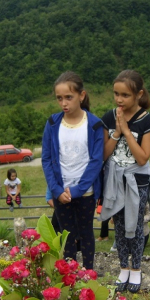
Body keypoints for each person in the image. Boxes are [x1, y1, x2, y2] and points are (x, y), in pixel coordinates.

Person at [100, 69, 150, 293]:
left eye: (125, 95)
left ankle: (136, 268)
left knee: (135, 225)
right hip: (115, 180)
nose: (119, 99)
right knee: (119, 225)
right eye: (116, 94)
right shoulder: (110, 116)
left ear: (138, 95)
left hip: (137, 180)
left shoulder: (147, 121)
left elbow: (143, 156)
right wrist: (116, 132)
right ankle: (123, 266)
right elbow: (104, 154)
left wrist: (126, 131)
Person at [42, 71, 104, 270]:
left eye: (69, 97)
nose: (63, 103)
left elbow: (96, 161)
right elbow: (47, 159)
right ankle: (70, 277)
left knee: (86, 233)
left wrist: (78, 189)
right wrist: (56, 190)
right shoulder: (52, 124)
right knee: (66, 235)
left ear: (81, 95)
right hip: (61, 193)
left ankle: (88, 275)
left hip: (85, 192)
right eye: (59, 98)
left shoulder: (94, 124)